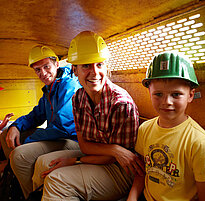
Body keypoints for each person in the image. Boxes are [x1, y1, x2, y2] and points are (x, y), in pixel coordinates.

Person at [32, 31, 145, 201]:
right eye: (86, 66)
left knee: (57, 180)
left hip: (121, 169)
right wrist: (114, 149)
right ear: (75, 70)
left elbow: (117, 158)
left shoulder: (121, 104)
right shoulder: (78, 98)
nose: (94, 73)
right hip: (99, 156)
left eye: (99, 65)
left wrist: (76, 161)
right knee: (43, 164)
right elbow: (85, 145)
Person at [127, 52, 205, 201]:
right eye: (158, 94)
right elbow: (142, 172)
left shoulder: (199, 143)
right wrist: (132, 197)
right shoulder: (145, 129)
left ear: (190, 95)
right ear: (149, 92)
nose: (166, 101)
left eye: (176, 94)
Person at [2, 45, 82, 199]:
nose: (43, 73)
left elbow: (62, 127)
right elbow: (35, 115)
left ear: (57, 64)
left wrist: (28, 141)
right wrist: (16, 126)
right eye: (38, 70)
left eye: (46, 67)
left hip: (72, 140)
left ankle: (32, 195)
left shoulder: (68, 85)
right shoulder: (49, 89)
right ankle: (24, 181)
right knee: (6, 135)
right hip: (58, 137)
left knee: (19, 155)